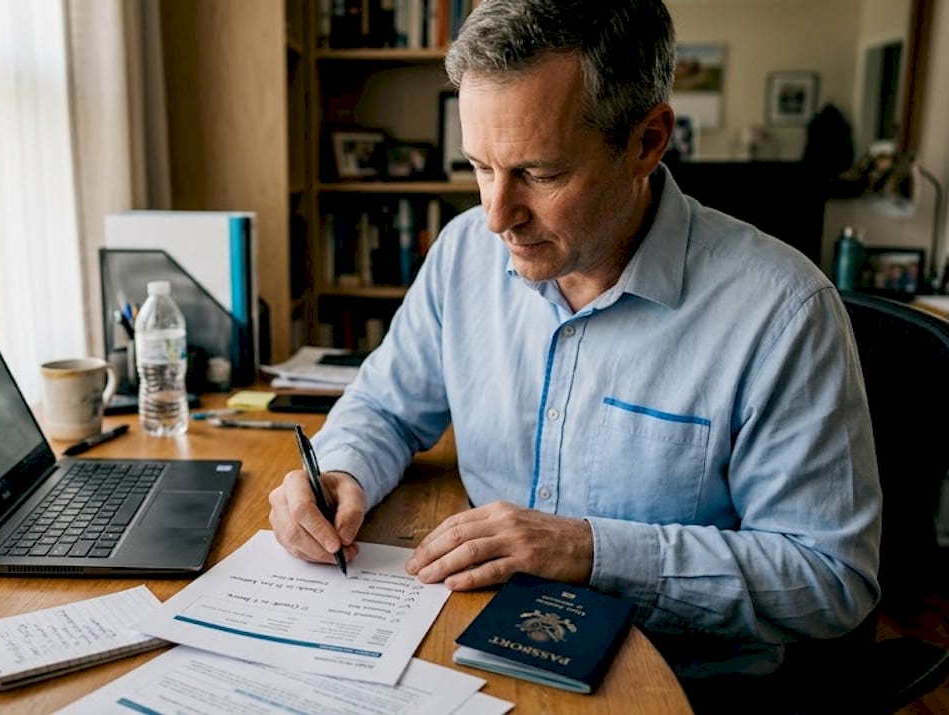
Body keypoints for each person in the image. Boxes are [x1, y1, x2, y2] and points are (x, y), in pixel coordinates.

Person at [268, 0, 880, 708]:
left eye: (540, 173)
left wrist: (590, 551)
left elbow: (831, 577)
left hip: (674, 686)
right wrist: (340, 470)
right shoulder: (465, 252)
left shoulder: (783, 313)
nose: (497, 215)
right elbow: (382, 403)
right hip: (471, 647)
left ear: (647, 142)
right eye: (479, 166)